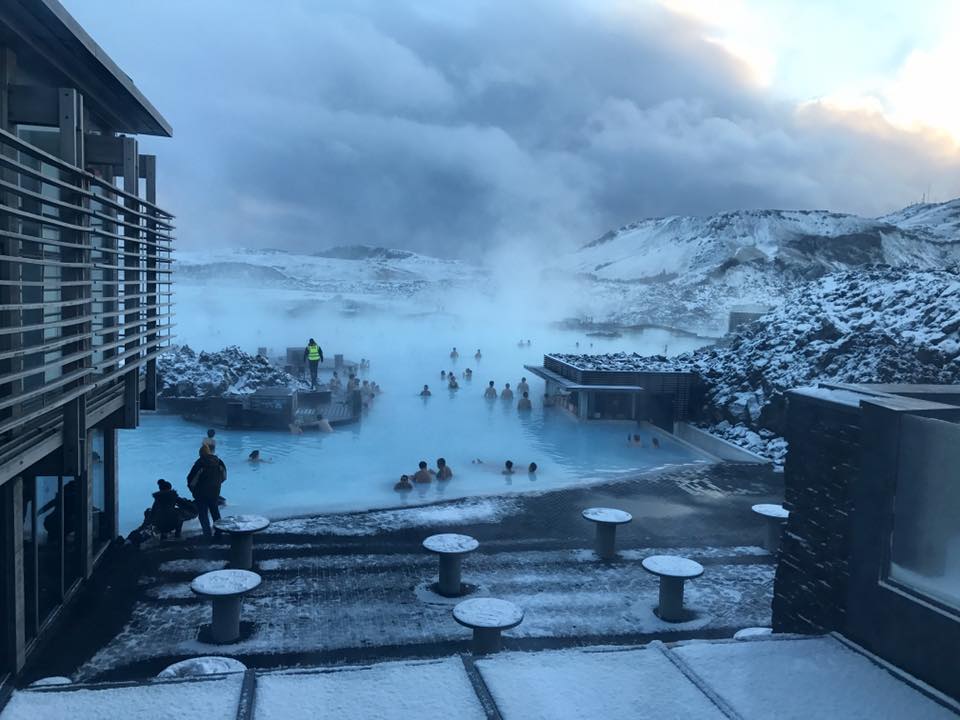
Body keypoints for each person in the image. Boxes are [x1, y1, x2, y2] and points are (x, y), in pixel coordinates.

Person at [187, 445, 226, 538]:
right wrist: (217, 485)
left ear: (200, 454)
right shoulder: (219, 462)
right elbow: (224, 477)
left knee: (203, 514)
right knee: (215, 511)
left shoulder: (199, 463)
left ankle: (207, 534)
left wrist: (193, 491)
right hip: (215, 492)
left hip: (201, 493)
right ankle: (219, 532)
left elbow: (191, 481)